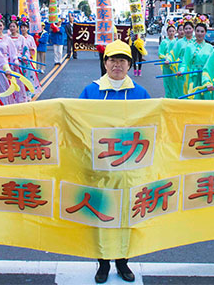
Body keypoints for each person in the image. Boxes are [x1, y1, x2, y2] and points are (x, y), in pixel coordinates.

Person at [79, 39, 150, 283]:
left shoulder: (141, 93)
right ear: (104, 63)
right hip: (99, 169)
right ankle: (102, 263)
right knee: (101, 214)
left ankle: (123, 262)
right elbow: (77, 124)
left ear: (129, 65)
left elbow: (153, 126)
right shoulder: (90, 91)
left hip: (129, 170)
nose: (117, 64)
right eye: (112, 59)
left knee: (127, 215)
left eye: (122, 60)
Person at [179, 17, 213, 99]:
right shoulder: (189, 47)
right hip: (192, 75)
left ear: (205, 33)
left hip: (205, 76)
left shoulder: (210, 47)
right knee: (193, 96)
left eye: (202, 31)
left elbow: (212, 64)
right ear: (195, 32)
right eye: (197, 31)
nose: (199, 33)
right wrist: (181, 70)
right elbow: (185, 62)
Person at [0, 16, 20, 105]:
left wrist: (15, 60)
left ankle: (5, 104)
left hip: (4, 66)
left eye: (0, 25)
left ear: (3, 27)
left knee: (5, 85)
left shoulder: (8, 39)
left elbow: (13, 52)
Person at [8, 18, 29, 103]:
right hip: (9, 62)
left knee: (19, 80)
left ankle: (21, 98)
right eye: (11, 26)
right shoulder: (6, 38)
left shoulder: (22, 38)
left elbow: (26, 50)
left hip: (19, 62)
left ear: (17, 28)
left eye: (14, 26)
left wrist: (24, 56)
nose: (12, 28)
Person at [20, 18, 42, 97]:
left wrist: (30, 50)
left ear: (28, 28)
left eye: (25, 27)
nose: (23, 29)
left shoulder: (30, 38)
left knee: (29, 76)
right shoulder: (18, 37)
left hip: (28, 59)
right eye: (22, 27)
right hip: (20, 59)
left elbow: (34, 47)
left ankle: (30, 92)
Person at [158, 20, 179, 98]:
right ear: (167, 32)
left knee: (175, 83)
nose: (171, 33)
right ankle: (168, 97)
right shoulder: (164, 42)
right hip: (166, 66)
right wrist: (166, 58)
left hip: (175, 65)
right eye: (169, 31)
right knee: (167, 82)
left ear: (175, 32)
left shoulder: (177, 42)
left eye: (173, 31)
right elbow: (160, 54)